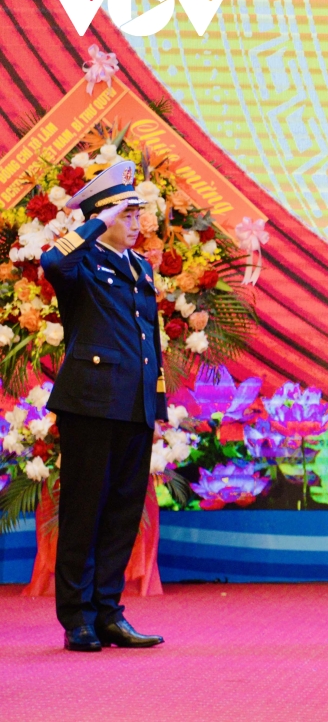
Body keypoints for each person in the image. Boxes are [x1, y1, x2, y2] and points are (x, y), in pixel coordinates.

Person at [41, 160, 167, 652]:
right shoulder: (83, 262)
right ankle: (78, 617)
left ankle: (109, 611)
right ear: (102, 216)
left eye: (137, 214)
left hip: (133, 404)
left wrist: (155, 402)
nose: (136, 223)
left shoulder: (140, 267)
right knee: (85, 509)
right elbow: (53, 264)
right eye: (126, 214)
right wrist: (96, 222)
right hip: (91, 404)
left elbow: (148, 340)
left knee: (121, 512)